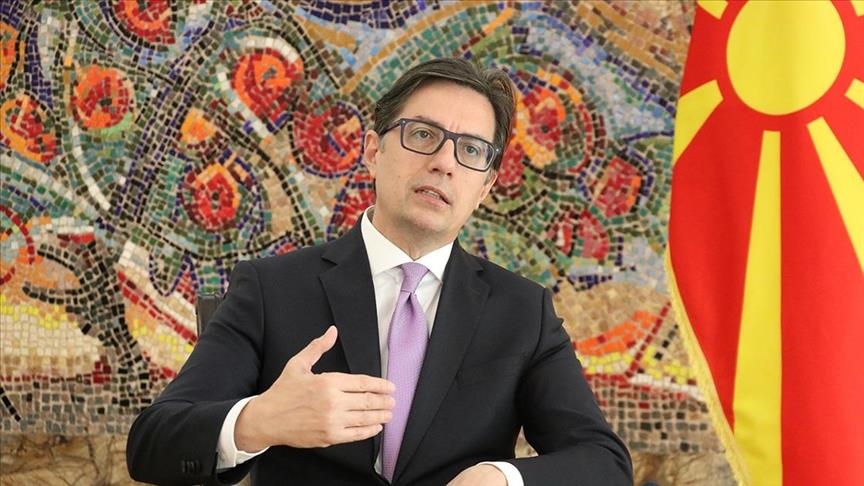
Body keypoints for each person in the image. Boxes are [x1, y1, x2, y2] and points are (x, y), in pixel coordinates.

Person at [126, 58, 632, 486]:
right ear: (373, 150)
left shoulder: (523, 311)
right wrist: (258, 421)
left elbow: (604, 462)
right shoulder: (271, 288)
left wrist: (502, 479)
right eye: (423, 135)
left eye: (471, 150)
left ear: (485, 187)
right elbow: (151, 443)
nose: (444, 162)